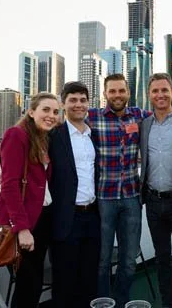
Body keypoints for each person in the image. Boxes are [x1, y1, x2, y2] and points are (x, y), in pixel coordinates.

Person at [87, 73, 151, 308]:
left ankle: (121, 299)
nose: (117, 95)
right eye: (112, 91)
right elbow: (65, 125)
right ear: (105, 94)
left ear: (128, 92)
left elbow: (168, 118)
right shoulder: (91, 117)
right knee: (103, 259)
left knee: (129, 259)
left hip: (132, 198)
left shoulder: (140, 115)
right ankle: (104, 302)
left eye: (121, 91)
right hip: (104, 199)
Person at [0, 92, 60, 308]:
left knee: (34, 280)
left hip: (43, 218)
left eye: (56, 112)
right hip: (25, 223)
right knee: (27, 284)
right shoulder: (16, 135)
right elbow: (10, 185)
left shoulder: (42, 138)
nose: (51, 116)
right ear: (31, 112)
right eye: (46, 110)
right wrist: (21, 228)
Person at [139, 73, 172, 308]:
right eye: (155, 91)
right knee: (161, 260)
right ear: (149, 95)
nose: (160, 95)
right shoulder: (144, 124)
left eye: (164, 90)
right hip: (152, 202)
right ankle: (168, 304)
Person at [48, 81, 101, 308]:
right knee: (64, 280)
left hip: (93, 216)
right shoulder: (53, 135)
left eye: (82, 100)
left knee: (89, 278)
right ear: (63, 103)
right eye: (73, 100)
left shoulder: (94, 135)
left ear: (88, 103)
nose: (78, 105)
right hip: (65, 217)